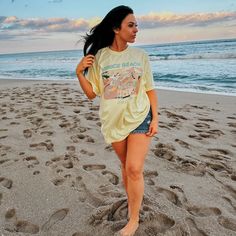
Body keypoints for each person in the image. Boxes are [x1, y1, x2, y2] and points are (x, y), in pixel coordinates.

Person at [76, 5, 158, 236]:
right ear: (115, 28)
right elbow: (92, 93)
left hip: (140, 116)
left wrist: (155, 118)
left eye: (136, 25)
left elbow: (150, 89)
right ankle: (132, 199)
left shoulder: (140, 56)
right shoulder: (100, 57)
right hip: (113, 122)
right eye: (131, 25)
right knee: (125, 168)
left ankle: (134, 220)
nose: (136, 30)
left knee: (134, 168)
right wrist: (78, 73)